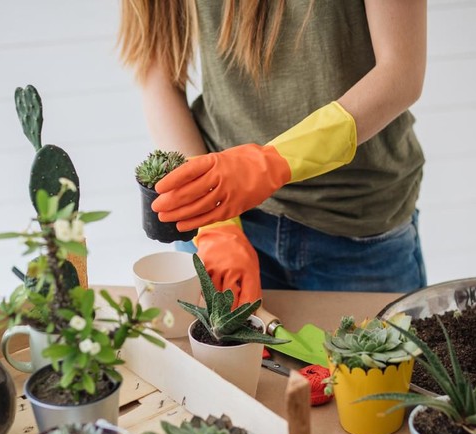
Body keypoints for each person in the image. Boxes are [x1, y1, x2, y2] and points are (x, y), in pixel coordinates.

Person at [118, 0, 427, 308]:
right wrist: (214, 223)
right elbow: (156, 73)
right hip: (224, 216)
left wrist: (268, 164)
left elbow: (401, 72)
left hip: (359, 225)